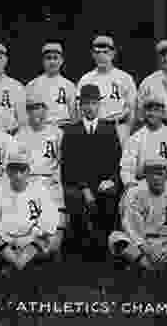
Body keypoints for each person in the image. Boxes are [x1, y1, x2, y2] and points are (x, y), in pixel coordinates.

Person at [0, 147, 61, 277]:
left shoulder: (38, 189)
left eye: (22, 169)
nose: (18, 175)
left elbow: (51, 214)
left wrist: (40, 231)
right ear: (8, 172)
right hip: (7, 238)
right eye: (14, 169)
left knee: (51, 236)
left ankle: (17, 264)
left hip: (31, 236)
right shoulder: (0, 190)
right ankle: (18, 263)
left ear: (28, 171)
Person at [109, 158, 167, 275]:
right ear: (146, 176)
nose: (156, 178)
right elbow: (131, 228)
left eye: (160, 174)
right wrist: (148, 250)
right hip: (144, 243)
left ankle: (161, 267)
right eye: (152, 174)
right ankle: (149, 265)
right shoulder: (135, 193)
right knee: (116, 239)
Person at [61, 84, 122, 259]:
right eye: (86, 103)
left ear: (99, 105)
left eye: (94, 103)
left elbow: (117, 160)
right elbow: (68, 165)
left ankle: (105, 249)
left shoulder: (109, 129)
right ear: (80, 106)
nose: (89, 107)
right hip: (79, 184)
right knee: (75, 199)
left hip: (103, 182)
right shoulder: (71, 130)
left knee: (110, 197)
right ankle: (79, 251)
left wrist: (111, 179)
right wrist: (85, 188)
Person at [14, 93, 66, 255]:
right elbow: (15, 166)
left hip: (51, 182)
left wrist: (56, 179)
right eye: (31, 108)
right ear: (27, 112)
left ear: (45, 110)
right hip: (27, 183)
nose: (35, 112)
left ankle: (43, 251)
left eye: (39, 107)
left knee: (54, 239)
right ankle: (29, 251)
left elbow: (63, 162)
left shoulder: (57, 133)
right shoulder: (19, 135)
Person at [120, 94, 167, 196]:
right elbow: (126, 168)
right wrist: (131, 186)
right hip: (142, 186)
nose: (152, 113)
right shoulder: (135, 138)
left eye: (156, 110)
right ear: (143, 113)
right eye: (148, 110)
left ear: (163, 113)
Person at [77, 36, 137, 146]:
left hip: (118, 128)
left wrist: (127, 130)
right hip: (94, 128)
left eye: (105, 52)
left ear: (113, 53)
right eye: (97, 52)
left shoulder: (125, 78)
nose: (101, 56)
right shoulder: (85, 79)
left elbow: (132, 109)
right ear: (93, 54)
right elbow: (79, 110)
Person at [25, 42, 77, 128]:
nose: (52, 62)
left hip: (64, 127)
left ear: (61, 61)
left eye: (55, 58)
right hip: (41, 128)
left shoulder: (69, 86)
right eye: (48, 58)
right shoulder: (32, 85)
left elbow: (74, 116)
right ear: (43, 61)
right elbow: (26, 115)